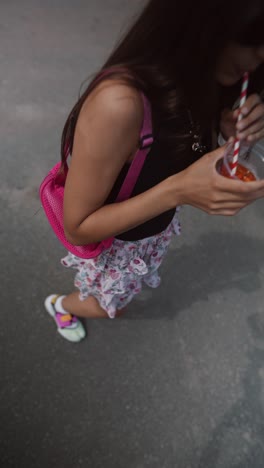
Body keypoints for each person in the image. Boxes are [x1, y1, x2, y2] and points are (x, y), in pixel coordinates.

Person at [44, 0, 264, 342]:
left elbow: (181, 148)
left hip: (149, 233)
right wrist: (179, 191)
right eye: (250, 42)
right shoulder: (120, 104)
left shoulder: (205, 81)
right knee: (106, 304)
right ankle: (60, 305)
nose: (257, 59)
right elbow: (78, 227)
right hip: (114, 244)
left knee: (118, 296)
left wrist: (226, 125)